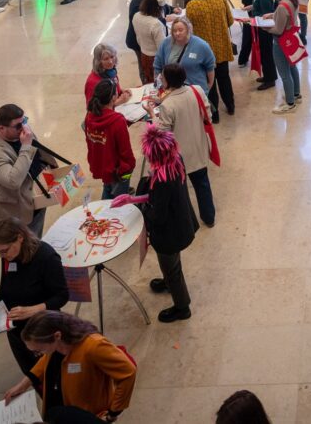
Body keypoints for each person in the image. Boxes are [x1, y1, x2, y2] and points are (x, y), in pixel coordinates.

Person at [3, 311, 136, 420]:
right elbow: (46, 359)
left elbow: (128, 373)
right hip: (58, 410)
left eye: (39, 350)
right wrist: (25, 383)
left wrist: (113, 413)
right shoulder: (57, 344)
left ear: (57, 336)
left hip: (83, 417)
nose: (38, 354)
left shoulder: (94, 346)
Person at [132, 125, 200, 321]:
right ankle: (169, 283)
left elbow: (158, 215)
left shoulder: (162, 180)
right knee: (171, 263)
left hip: (170, 233)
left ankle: (182, 306)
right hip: (181, 222)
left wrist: (142, 209)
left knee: (172, 268)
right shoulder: (176, 161)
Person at [0, 218, 69, 373]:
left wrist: (34, 309)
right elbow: (4, 292)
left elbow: (62, 295)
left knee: (52, 373)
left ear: (20, 238)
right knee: (31, 373)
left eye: (4, 250)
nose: (1, 256)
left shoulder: (47, 257)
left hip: (43, 330)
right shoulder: (8, 257)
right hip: (16, 332)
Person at [148, 63, 217, 226]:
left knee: (182, 191)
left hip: (180, 155)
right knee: (203, 184)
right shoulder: (197, 90)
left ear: (167, 81)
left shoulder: (168, 105)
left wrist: (153, 115)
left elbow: (162, 133)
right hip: (199, 146)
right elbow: (207, 114)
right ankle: (209, 217)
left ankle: (188, 221)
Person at [0, 104, 60, 235]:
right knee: (20, 250)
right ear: (1, 127)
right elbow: (13, 181)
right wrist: (25, 146)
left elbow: (37, 153)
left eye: (24, 121)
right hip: (16, 212)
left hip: (37, 198)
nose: (24, 128)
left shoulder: (24, 133)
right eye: (18, 125)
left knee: (36, 239)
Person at [185, 0, 235, 121]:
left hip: (204, 51)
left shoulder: (191, 6)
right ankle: (230, 106)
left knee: (209, 83)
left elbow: (189, 31)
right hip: (222, 46)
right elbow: (230, 21)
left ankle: (214, 115)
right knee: (224, 77)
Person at [84, 80, 135, 200]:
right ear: (113, 98)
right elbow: (125, 151)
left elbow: (90, 142)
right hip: (119, 171)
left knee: (107, 188)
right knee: (119, 201)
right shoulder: (117, 121)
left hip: (102, 165)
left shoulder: (89, 116)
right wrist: (130, 166)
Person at [262, 0, 302, 113]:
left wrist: (263, 27)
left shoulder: (281, 6)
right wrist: (273, 15)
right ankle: (296, 94)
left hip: (281, 42)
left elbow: (278, 30)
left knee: (284, 74)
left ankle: (290, 103)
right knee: (293, 67)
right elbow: (287, 14)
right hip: (293, 38)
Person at [152, 16, 216, 94]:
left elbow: (210, 67)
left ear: (188, 30)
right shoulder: (166, 43)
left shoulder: (201, 45)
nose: (177, 33)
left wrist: (208, 86)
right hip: (171, 90)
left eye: (180, 30)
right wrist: (158, 84)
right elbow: (157, 64)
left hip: (194, 90)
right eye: (174, 31)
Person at [249, 0, 278, 90]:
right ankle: (268, 76)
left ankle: (270, 79)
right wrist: (250, 8)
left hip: (264, 28)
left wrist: (251, 19)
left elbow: (266, 14)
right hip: (259, 26)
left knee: (267, 54)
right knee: (265, 53)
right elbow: (257, 5)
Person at [125, 0, 163, 68]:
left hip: (144, 38)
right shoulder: (138, 6)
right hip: (138, 41)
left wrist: (172, 9)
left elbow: (159, 5)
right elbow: (147, 22)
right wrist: (163, 20)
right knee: (144, 66)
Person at [132, 0, 169, 85]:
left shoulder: (136, 16)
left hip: (144, 54)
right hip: (156, 58)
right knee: (159, 83)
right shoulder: (155, 24)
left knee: (149, 81)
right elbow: (162, 47)